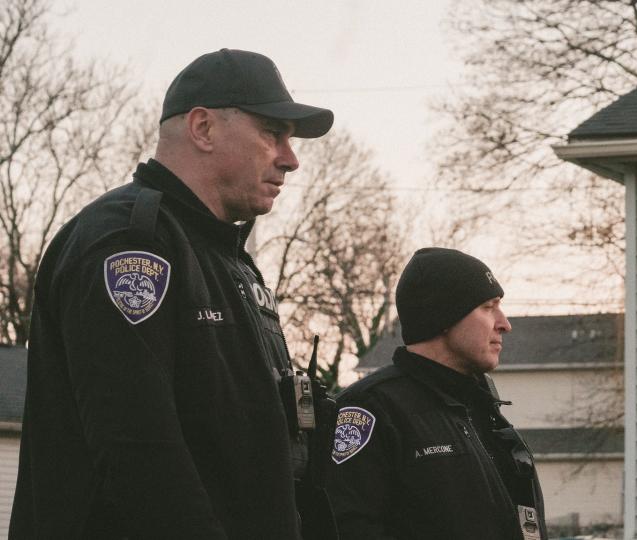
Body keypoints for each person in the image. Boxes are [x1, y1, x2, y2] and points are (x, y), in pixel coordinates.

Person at [10, 49, 337, 539]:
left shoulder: (227, 258)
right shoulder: (129, 241)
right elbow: (139, 454)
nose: (290, 159)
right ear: (202, 128)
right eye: (273, 133)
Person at [325, 247, 547, 539]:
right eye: (488, 307)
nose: (504, 324)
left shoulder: (481, 409)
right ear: (443, 315)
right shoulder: (370, 410)